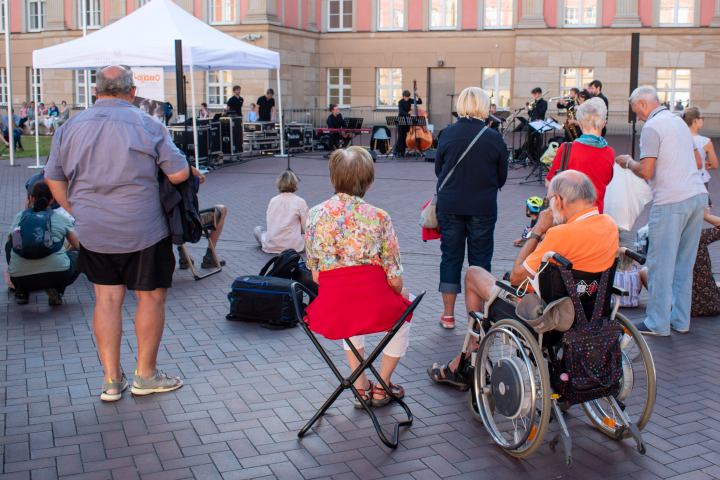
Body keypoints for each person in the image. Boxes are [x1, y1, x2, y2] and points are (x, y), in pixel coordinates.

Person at [44, 65, 190, 402]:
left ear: (96, 91)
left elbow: (53, 179)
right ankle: (146, 375)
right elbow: (180, 173)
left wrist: (78, 209)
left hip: (94, 229)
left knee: (106, 300)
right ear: (132, 91)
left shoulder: (69, 127)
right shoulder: (148, 124)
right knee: (150, 297)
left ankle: (111, 380)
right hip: (144, 228)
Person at [429, 170, 619, 389]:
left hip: (545, 317)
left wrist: (537, 230)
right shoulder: (608, 224)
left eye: (549, 200)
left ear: (558, 200)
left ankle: (473, 354)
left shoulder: (561, 235)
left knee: (473, 274)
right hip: (589, 312)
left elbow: (518, 277)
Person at [305, 147, 411, 407]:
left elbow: (316, 276)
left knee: (348, 310)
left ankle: (361, 385)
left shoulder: (315, 215)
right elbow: (395, 280)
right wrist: (400, 293)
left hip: (333, 306)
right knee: (407, 309)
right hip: (372, 302)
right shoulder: (379, 217)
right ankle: (383, 384)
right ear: (369, 181)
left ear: (333, 178)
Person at [615, 85, 707, 336]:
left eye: (637, 112)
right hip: (697, 195)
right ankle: (680, 321)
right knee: (684, 264)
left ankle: (657, 323)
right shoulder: (678, 122)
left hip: (671, 200)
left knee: (660, 264)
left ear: (643, 104)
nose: (638, 117)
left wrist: (627, 162)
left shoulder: (653, 127)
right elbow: (700, 162)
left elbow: (646, 171)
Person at [434, 86, 508, 329]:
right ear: (484, 107)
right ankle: (476, 319)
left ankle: (447, 314)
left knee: (450, 258)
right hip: (482, 207)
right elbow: (501, 177)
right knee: (480, 261)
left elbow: (439, 171)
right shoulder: (494, 137)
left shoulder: (447, 133)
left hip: (450, 205)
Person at [6, 181, 81, 306]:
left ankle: (22, 292)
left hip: (20, 277)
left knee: (10, 245)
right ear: (52, 199)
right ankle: (57, 290)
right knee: (78, 255)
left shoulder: (20, 217)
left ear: (31, 198)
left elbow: (10, 246)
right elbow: (79, 245)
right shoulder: (58, 217)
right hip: (57, 274)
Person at [545, 98, 614, 213]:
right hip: (595, 213)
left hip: (571, 215)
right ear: (604, 123)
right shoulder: (610, 152)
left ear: (580, 123)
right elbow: (606, 181)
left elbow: (549, 184)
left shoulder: (566, 149)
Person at [253, 170, 309, 254]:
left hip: (272, 244)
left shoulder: (273, 200)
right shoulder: (300, 202)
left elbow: (271, 223)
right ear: (294, 183)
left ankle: (272, 243)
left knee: (257, 229)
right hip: (294, 246)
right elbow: (306, 227)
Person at [690, 207, 720, 316]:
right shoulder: (699, 236)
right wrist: (707, 216)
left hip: (678, 306)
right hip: (710, 303)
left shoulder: (669, 236)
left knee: (645, 270)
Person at [682, 106, 718, 195]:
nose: (702, 121)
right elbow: (714, 164)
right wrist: (704, 164)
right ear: (695, 121)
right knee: (703, 206)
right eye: (702, 118)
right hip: (700, 179)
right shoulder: (705, 142)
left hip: (682, 180)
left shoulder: (678, 138)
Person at [394, 89, 422, 157]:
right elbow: (401, 111)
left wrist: (417, 95)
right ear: (403, 96)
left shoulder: (410, 100)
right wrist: (410, 115)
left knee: (405, 136)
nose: (407, 98)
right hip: (401, 120)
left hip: (407, 120)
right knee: (400, 136)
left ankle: (403, 152)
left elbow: (420, 102)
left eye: (408, 97)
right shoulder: (400, 102)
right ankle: (397, 151)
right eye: (406, 97)